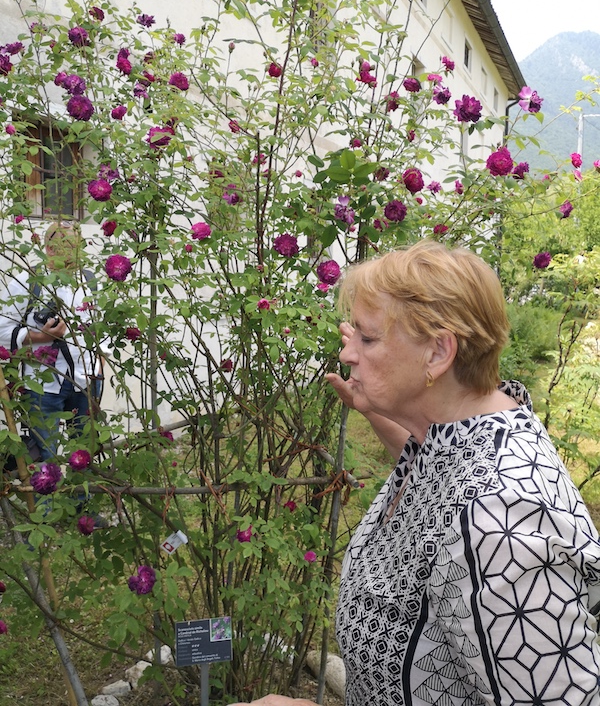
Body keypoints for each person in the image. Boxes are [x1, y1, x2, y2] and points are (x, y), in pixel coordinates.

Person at [232, 240, 600, 706]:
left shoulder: (499, 520)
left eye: (367, 339)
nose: (348, 355)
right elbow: (433, 472)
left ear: (437, 354)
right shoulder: (460, 434)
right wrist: (376, 407)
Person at [0, 221, 103, 463]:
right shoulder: (28, 281)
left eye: (78, 247)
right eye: (68, 246)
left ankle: (80, 501)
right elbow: (1, 328)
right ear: (49, 248)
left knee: (85, 454)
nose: (75, 254)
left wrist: (98, 369)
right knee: (46, 459)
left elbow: (100, 330)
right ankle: (49, 501)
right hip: (43, 385)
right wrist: (42, 337)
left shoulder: (88, 280)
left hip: (86, 380)